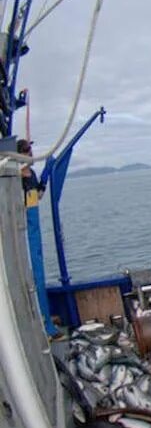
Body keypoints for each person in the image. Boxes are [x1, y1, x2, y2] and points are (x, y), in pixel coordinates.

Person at [17, 138, 59, 338]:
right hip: (24, 232)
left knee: (39, 275)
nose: (31, 154)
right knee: (31, 276)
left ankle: (46, 319)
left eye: (31, 150)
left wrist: (45, 175)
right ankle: (41, 323)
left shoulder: (30, 174)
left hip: (35, 231)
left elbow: (38, 195)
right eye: (27, 151)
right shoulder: (14, 179)